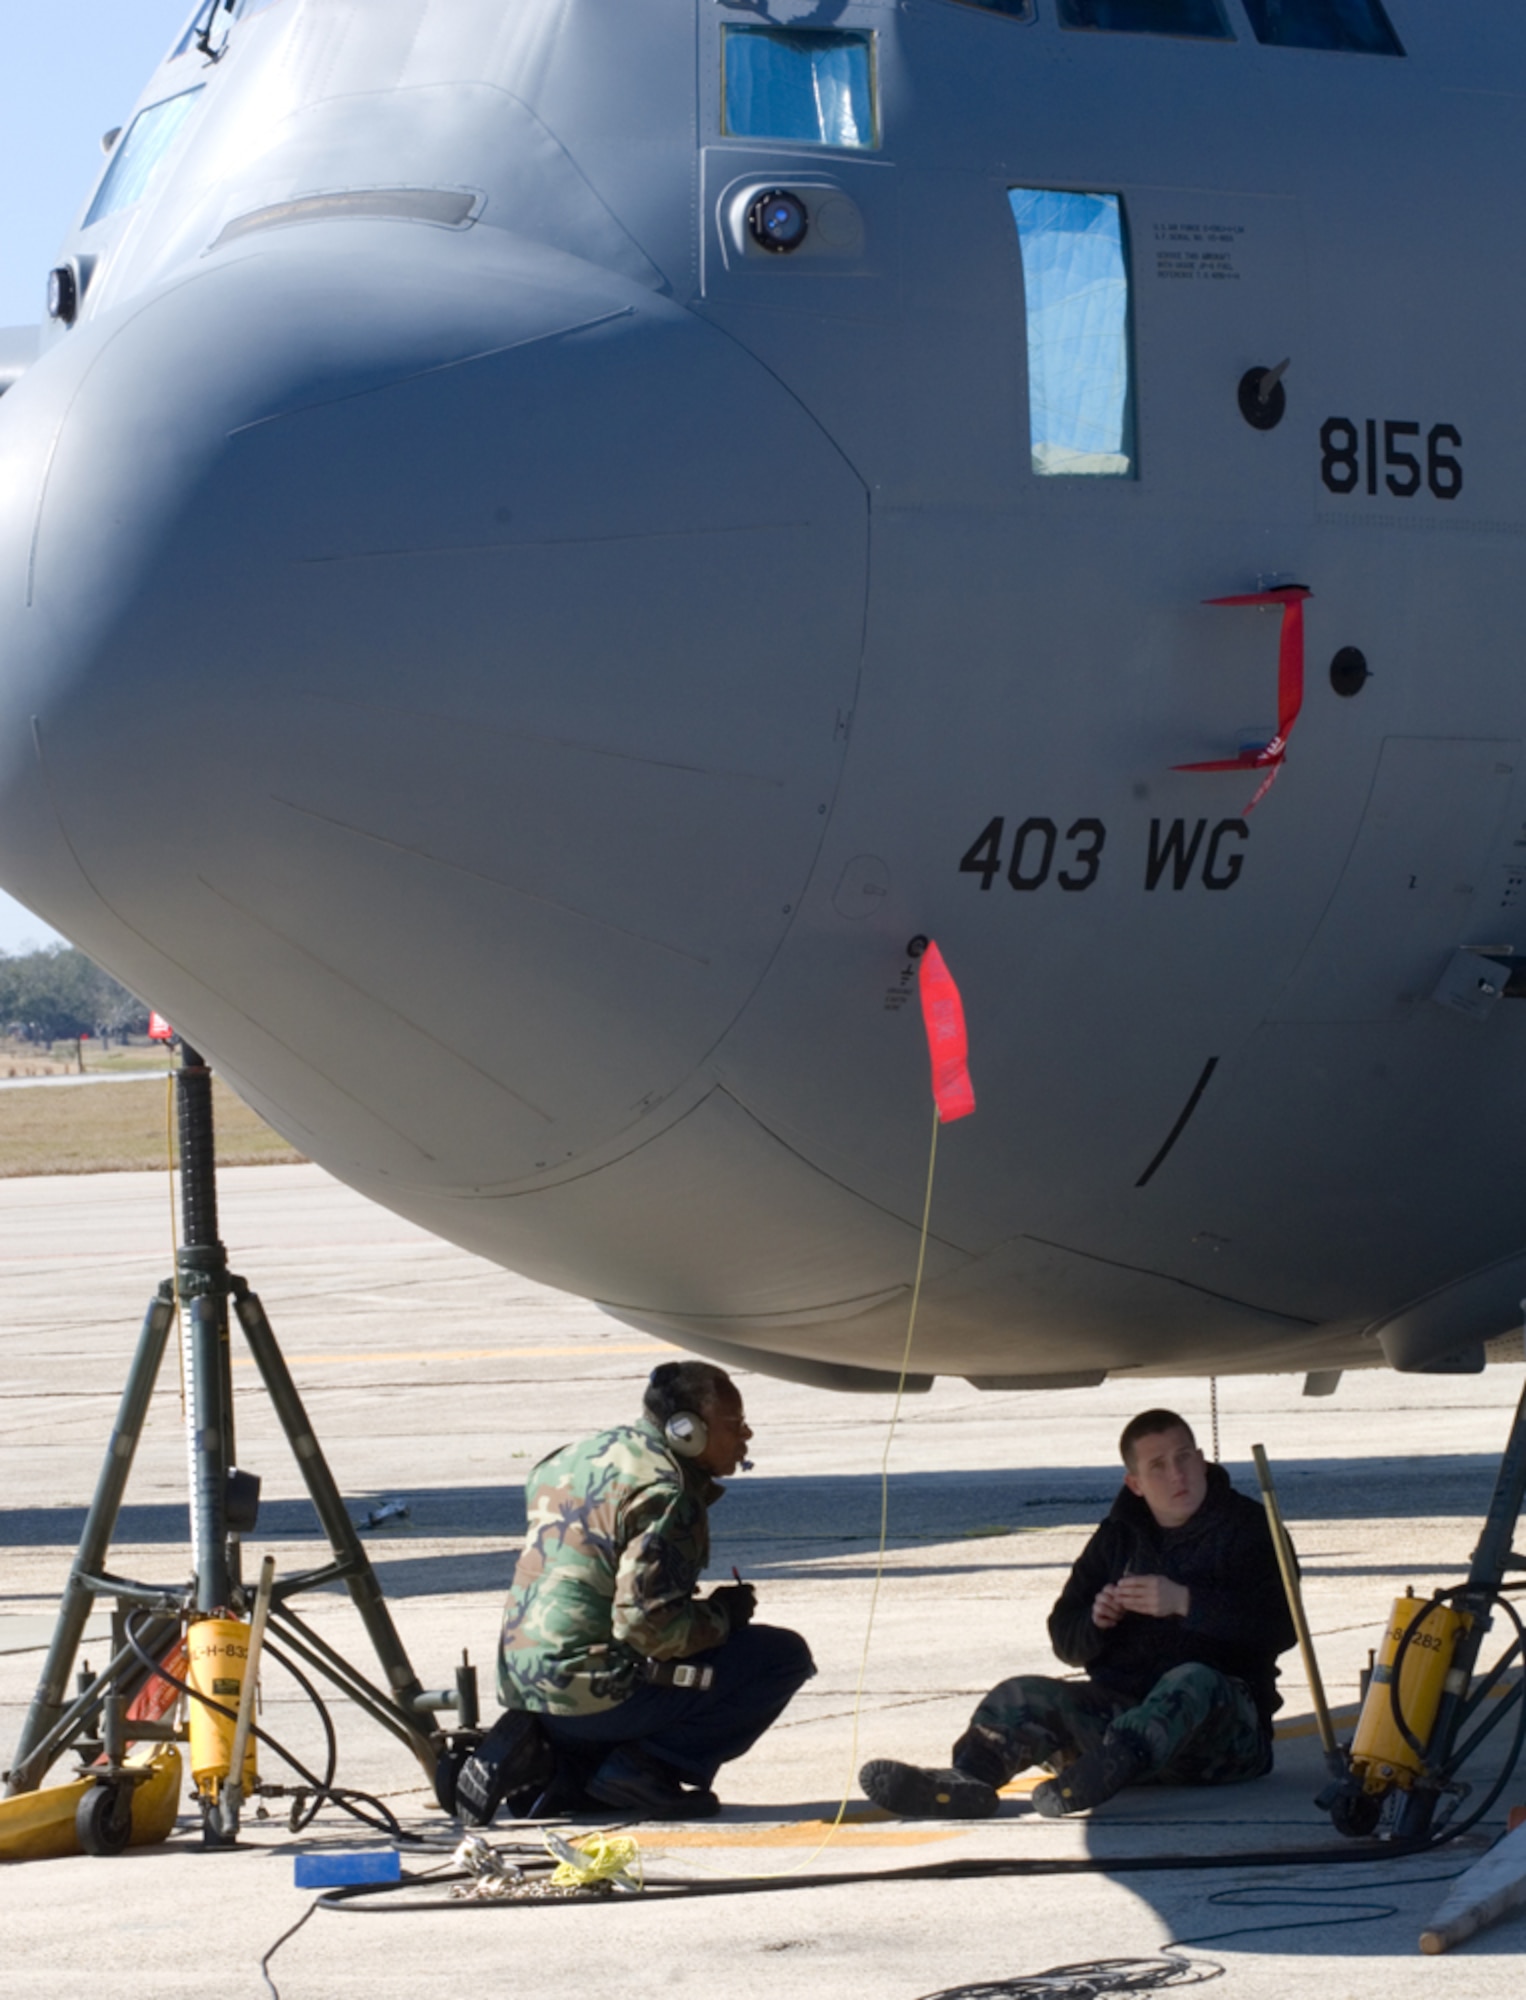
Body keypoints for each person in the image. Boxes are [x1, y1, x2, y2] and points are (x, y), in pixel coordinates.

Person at [860, 1408, 1296, 1819]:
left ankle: (1107, 1769)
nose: (1177, 1474)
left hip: (1221, 1740)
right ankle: (966, 1781)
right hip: (1120, 1727)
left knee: (1192, 1679)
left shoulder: (1250, 1528)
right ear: (1136, 1484)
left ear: (1202, 1461)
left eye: (1184, 1458)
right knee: (1021, 1694)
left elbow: (1283, 1626)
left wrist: (1185, 1602)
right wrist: (1096, 1621)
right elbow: (1064, 1638)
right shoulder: (1117, 1538)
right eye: (1158, 1466)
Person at [497, 1359, 815, 1817]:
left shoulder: (571, 1457)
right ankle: (645, 1771)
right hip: (590, 1697)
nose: (746, 1437)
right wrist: (725, 1616)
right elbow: (648, 1628)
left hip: (527, 1688)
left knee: (650, 1663)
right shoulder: (665, 1491)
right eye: (735, 1425)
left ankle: (570, 1771)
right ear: (688, 1430)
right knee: (778, 1657)